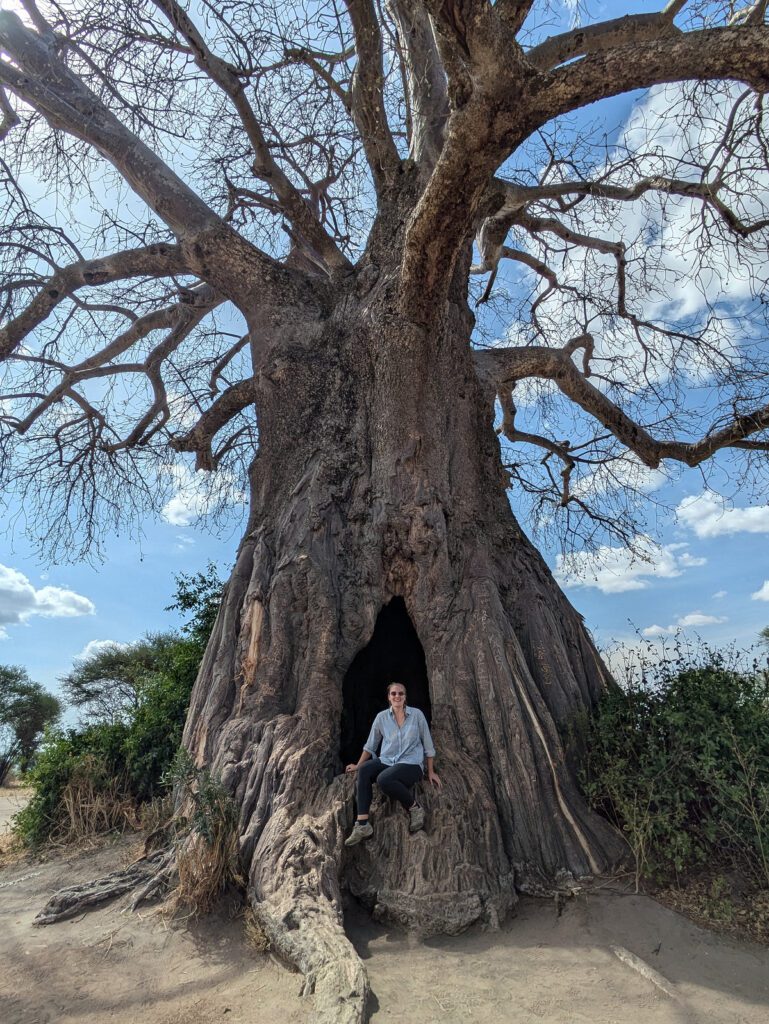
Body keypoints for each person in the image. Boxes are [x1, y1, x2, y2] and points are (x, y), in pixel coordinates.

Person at [344, 681, 441, 846]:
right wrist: (358, 765)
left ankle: (414, 808)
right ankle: (362, 824)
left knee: (384, 779)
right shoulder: (382, 717)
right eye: (394, 693)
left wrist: (430, 771)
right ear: (389, 697)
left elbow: (428, 744)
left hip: (411, 763)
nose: (397, 696)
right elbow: (371, 745)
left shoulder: (416, 715)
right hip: (388, 760)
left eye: (401, 693)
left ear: (405, 697)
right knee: (365, 770)